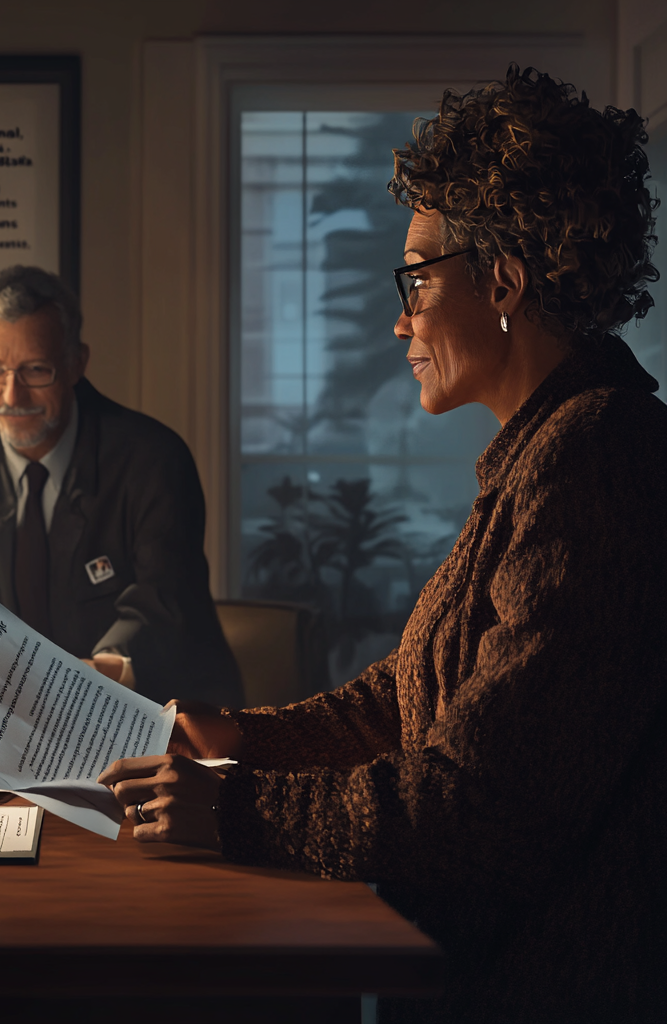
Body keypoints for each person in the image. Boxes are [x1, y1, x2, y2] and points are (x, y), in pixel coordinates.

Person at [99, 66, 667, 1023]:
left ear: (501, 281)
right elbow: (409, 699)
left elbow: (478, 809)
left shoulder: (596, 464)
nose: (399, 316)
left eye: (414, 278)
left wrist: (231, 807)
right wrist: (239, 738)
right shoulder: (547, 451)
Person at [0, 265, 242, 707]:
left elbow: (164, 604)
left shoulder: (153, 460)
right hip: (10, 729)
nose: (11, 397)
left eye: (36, 370)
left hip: (163, 716)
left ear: (76, 364)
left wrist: (87, 678)